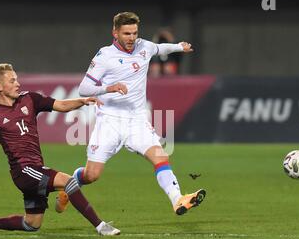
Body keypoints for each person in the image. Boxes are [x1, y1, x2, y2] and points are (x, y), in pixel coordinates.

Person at [0, 63, 120, 239]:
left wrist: (82, 101)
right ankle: (100, 226)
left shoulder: (30, 99)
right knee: (69, 182)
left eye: (17, 79)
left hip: (35, 169)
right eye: (12, 80)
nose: (17, 83)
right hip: (24, 171)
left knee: (31, 224)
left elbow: (61, 105)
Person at [72, 12, 206, 216]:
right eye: (126, 33)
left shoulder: (144, 46)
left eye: (134, 32)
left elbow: (161, 48)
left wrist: (180, 47)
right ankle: (69, 187)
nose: (131, 38)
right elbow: (84, 88)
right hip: (110, 121)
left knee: (160, 156)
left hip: (136, 120)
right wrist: (109, 88)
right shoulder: (105, 56)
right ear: (115, 33)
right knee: (92, 175)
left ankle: (177, 199)